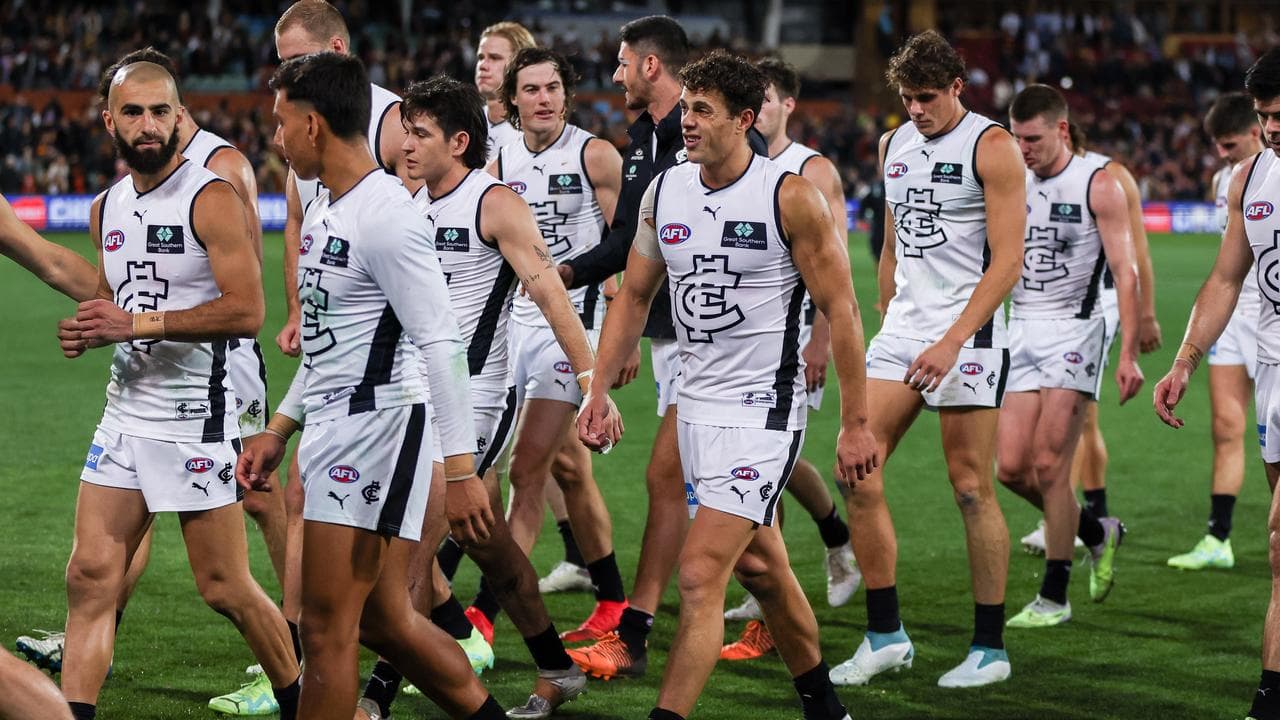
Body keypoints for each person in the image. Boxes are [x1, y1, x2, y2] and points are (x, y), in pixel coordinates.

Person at [578, 48, 873, 720]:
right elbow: (632, 297)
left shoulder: (787, 196)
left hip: (764, 414)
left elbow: (843, 310)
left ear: (743, 120)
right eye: (685, 106)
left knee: (700, 572)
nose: (687, 120)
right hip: (694, 409)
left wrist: (856, 423)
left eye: (702, 110)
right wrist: (597, 388)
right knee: (763, 568)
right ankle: (826, 708)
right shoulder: (666, 189)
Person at [12, 46, 290, 715]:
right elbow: (116, 294)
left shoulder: (211, 195)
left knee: (225, 587)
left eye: (160, 111)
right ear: (107, 121)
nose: (147, 124)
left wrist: (132, 327)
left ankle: (302, 695)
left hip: (198, 415)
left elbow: (246, 310)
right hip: (124, 415)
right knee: (89, 576)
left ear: (179, 116)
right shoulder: (108, 205)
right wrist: (89, 327)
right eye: (132, 111)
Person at [239, 51, 510, 720]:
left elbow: (440, 341)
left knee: (329, 631)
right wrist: (281, 426)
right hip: (340, 426)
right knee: (387, 624)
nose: (275, 139)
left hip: (376, 434)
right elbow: (336, 340)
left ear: (312, 126)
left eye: (280, 123)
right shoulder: (334, 204)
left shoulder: (385, 213)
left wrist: (462, 467)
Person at [357, 74, 600, 720]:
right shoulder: (405, 203)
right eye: (404, 130)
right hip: (410, 400)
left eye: (420, 133)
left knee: (409, 556)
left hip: (476, 403)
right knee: (491, 549)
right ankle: (556, 665)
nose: (405, 143)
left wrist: (590, 383)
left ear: (459, 141)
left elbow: (550, 294)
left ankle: (373, 701)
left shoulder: (494, 204)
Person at [828, 30, 1023, 688]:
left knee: (970, 485)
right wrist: (887, 297)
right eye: (907, 98)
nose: (915, 110)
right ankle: (886, 635)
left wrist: (953, 339)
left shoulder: (992, 146)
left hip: (969, 330)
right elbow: (893, 236)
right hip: (906, 328)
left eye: (927, 98)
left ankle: (989, 649)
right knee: (857, 467)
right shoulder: (894, 144)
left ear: (957, 89)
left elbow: (1008, 263)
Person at [562, 14, 704, 681]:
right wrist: (562, 275)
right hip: (678, 333)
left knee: (674, 481)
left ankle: (636, 633)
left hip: (728, 343)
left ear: (651, 65)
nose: (614, 75)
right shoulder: (645, 136)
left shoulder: (706, 132)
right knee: (706, 493)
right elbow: (631, 245)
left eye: (622, 63)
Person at [485, 46, 627, 645]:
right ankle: (615, 598)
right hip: (512, 325)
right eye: (531, 90)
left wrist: (619, 341)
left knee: (525, 465)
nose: (544, 99)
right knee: (569, 468)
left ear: (566, 93)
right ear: (513, 101)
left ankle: (482, 618)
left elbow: (626, 248)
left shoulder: (594, 154)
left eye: (553, 88)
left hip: (575, 330)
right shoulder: (497, 155)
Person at [1153, 47, 1280, 720]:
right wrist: (1185, 358)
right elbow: (1227, 277)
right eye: (1266, 117)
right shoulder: (1252, 178)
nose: (1274, 128)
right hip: (1272, 365)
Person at [720, 57, 860, 662]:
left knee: (774, 459)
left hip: (794, 341)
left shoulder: (811, 172)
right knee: (773, 464)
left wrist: (821, 341)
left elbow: (838, 276)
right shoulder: (728, 168)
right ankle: (799, 558)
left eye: (768, 97)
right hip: (734, 348)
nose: (761, 105)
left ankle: (821, 553)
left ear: (786, 106)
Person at [996, 84, 1141, 628]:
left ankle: (1054, 595)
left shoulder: (1096, 184)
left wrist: (1128, 352)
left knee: (1051, 465)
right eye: (1016, 139)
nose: (1023, 149)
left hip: (1076, 332)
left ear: (1061, 130)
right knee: (1010, 468)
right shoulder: (1011, 180)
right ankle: (1097, 531)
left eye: (1031, 139)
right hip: (1021, 328)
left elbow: (1125, 271)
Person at [1020, 122, 1163, 554]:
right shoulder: (1041, 179)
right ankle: (1092, 516)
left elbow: (1136, 254)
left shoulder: (1107, 178)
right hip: (1051, 309)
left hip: (1095, 304)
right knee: (1084, 421)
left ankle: (1064, 518)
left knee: (1073, 423)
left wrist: (1148, 313)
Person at [1166, 92, 1266, 570]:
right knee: (1227, 428)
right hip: (1233, 319)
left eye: (1229, 145)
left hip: (1272, 319)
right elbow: (1229, 267)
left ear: (1255, 131)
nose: (1222, 155)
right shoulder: (1228, 182)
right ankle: (1218, 538)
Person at [475, 22, 535, 162]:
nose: (483, 65)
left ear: (521, 65)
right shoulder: (463, 123)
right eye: (480, 57)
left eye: (494, 58)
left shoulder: (537, 132)